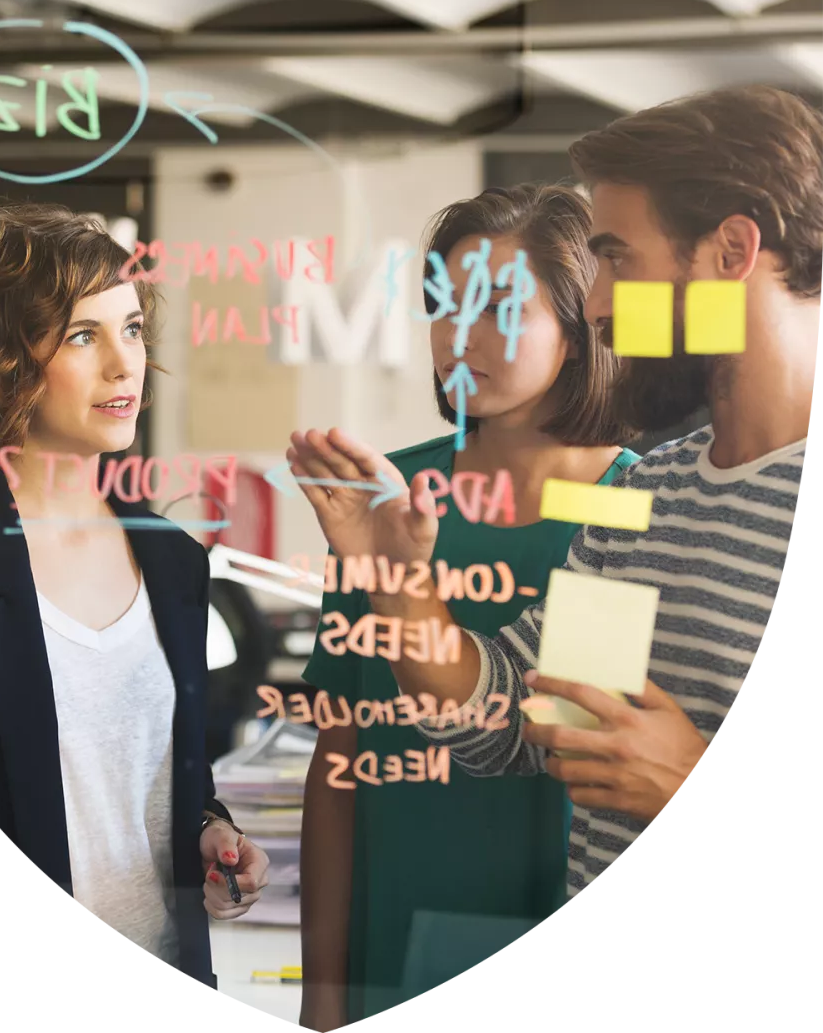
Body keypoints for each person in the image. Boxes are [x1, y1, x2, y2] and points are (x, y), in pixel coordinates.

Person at [287, 83, 815, 914]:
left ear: (732, 250)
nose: (596, 305)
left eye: (620, 260)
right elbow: (516, 719)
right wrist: (399, 581)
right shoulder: (649, 497)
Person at [0, 202, 270, 988]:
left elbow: (164, 776)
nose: (125, 363)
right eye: (85, 334)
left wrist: (213, 834)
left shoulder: (176, 561)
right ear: (4, 359)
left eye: (135, 328)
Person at [298, 184, 640, 1031]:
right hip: (395, 918)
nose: (461, 335)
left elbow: (563, 734)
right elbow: (337, 766)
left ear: (578, 323)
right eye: (446, 304)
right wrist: (323, 994)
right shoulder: (385, 495)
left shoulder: (633, 501)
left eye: (500, 307)